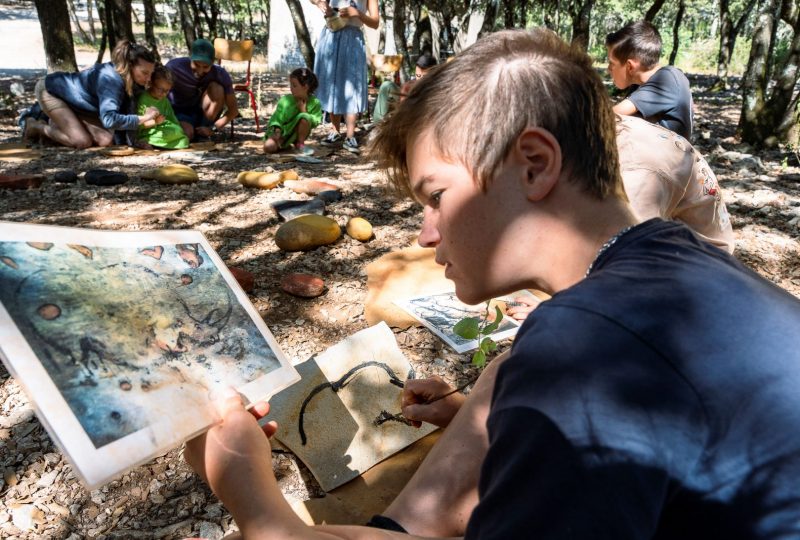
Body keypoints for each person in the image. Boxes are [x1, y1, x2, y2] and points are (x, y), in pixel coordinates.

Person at [184, 29, 800, 538]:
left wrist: (258, 508)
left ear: (534, 164)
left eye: (437, 196)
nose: (427, 235)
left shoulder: (584, 348)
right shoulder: (678, 270)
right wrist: (495, 419)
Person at [23, 41, 160, 149]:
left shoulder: (130, 80)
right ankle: (36, 126)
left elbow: (124, 115)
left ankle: (62, 122)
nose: (149, 79)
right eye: (144, 73)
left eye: (151, 73)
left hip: (80, 104)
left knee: (105, 140)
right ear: (129, 66)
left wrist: (135, 141)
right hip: (52, 91)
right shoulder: (110, 80)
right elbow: (110, 120)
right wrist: (143, 118)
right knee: (82, 141)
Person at [606, 20, 694, 139]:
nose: (608, 69)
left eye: (611, 63)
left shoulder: (668, 78)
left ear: (630, 66)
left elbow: (609, 116)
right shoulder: (639, 85)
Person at [312, 0, 380, 154]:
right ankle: (335, 131)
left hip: (353, 38)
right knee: (332, 83)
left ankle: (350, 135)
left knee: (352, 85)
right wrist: (320, 4)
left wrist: (358, 13)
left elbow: (375, 22)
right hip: (331, 34)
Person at [165, 38, 238, 141]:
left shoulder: (220, 74)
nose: (200, 71)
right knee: (186, 134)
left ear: (213, 62)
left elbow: (233, 110)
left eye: (205, 67)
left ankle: (203, 131)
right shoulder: (174, 67)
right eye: (196, 65)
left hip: (202, 112)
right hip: (178, 112)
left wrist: (213, 128)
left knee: (217, 89)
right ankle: (192, 132)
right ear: (190, 56)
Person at [263, 68, 323, 156]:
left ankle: (300, 144)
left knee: (304, 117)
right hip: (282, 132)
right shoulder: (285, 100)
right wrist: (277, 132)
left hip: (298, 135)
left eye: (294, 85)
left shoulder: (315, 103)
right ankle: (284, 144)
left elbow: (315, 122)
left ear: (305, 87)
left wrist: (303, 110)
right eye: (290, 85)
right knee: (268, 147)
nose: (291, 88)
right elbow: (277, 118)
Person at [135, 65, 190, 150]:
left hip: (163, 129)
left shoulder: (165, 100)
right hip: (147, 132)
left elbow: (172, 118)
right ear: (151, 83)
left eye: (167, 90)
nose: (164, 94)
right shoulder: (143, 99)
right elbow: (139, 124)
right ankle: (144, 141)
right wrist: (155, 122)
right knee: (166, 134)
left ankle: (156, 144)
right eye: (160, 89)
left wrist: (178, 129)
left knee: (183, 138)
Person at [373, 53, 438, 124]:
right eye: (418, 75)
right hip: (407, 103)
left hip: (420, 111)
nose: (419, 78)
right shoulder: (409, 85)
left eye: (424, 76)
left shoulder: (439, 87)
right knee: (386, 85)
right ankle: (378, 124)